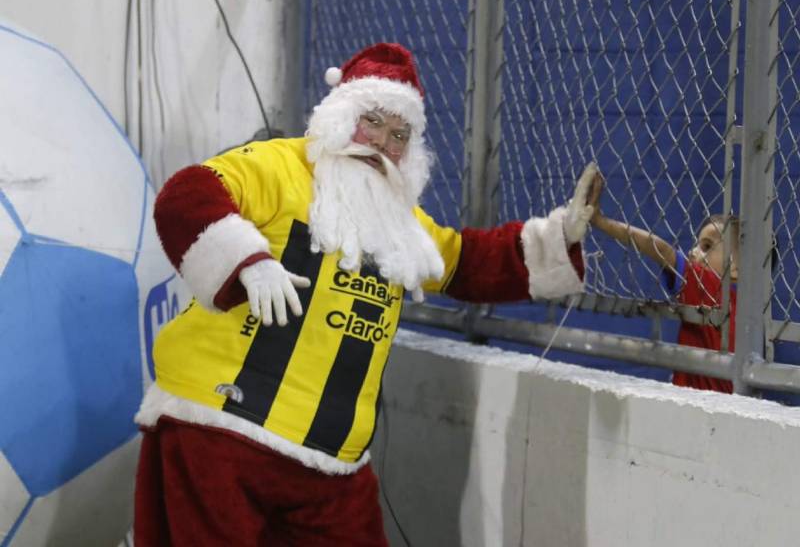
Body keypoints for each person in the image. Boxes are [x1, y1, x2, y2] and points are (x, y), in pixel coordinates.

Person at [133, 42, 598, 546]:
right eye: (372, 122)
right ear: (341, 114)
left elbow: (466, 261)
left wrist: (561, 237)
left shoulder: (397, 220)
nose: (382, 144)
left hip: (331, 459)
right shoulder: (280, 164)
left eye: (399, 135)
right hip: (224, 430)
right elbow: (188, 193)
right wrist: (248, 260)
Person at [588, 171, 738, 393]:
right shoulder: (748, 312)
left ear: (735, 268)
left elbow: (661, 249)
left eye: (706, 247)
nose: (693, 252)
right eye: (697, 244)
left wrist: (600, 221)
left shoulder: (712, 289)